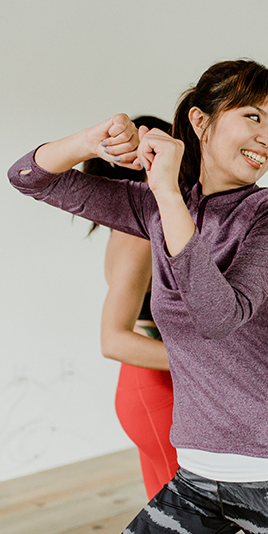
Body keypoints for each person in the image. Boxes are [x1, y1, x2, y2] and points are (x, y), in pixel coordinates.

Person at [8, 60, 268, 534]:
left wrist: (165, 192)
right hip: (198, 473)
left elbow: (218, 317)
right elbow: (26, 177)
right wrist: (91, 140)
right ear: (201, 122)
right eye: (253, 116)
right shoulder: (156, 205)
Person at [83, 116, 177, 500]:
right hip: (154, 388)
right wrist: (208, 359)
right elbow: (113, 340)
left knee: (169, 514)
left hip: (152, 386)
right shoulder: (137, 233)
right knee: (187, 517)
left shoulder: (146, 224)